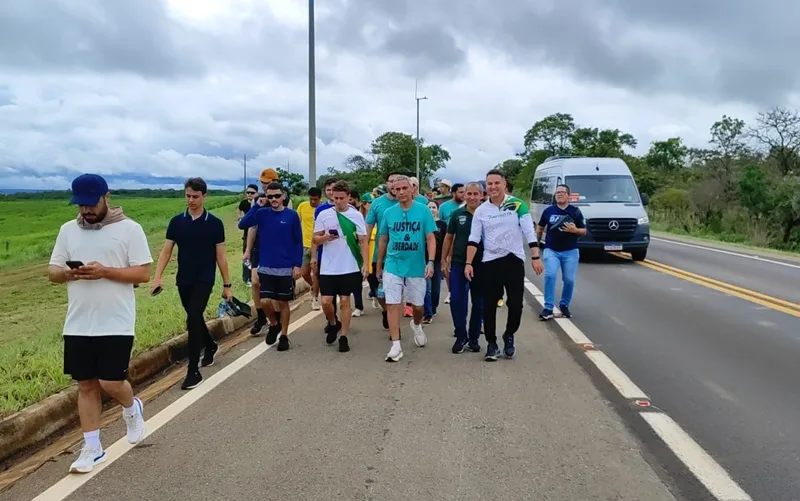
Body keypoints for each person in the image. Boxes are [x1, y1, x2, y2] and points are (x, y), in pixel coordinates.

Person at [48, 173, 151, 473]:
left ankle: (132, 409)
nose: (85, 211)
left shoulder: (130, 229)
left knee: (110, 382)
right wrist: (67, 274)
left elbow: (143, 274)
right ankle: (92, 447)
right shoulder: (68, 231)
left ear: (106, 197)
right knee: (85, 385)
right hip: (78, 322)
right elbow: (52, 271)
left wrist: (105, 272)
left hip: (116, 321)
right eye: (80, 205)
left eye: (91, 204)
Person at [151, 177, 232, 390]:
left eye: (195, 196)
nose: (191, 200)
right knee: (193, 318)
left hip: (205, 278)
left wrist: (227, 285)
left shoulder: (214, 223)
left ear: (204, 196)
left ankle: (193, 370)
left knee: (193, 318)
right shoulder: (177, 222)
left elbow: (221, 256)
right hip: (183, 279)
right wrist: (157, 277)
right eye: (188, 196)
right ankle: (211, 345)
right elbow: (166, 251)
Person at [466, 169, 542, 362]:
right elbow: (474, 238)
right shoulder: (482, 211)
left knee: (515, 304)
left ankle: (509, 335)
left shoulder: (517, 205)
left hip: (513, 260)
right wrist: (468, 263)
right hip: (490, 262)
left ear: (504, 184)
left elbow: (529, 232)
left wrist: (535, 256)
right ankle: (491, 344)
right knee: (489, 305)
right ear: (486, 187)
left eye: (496, 183)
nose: (493, 187)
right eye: (489, 184)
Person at [376, 175, 437, 362]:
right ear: (393, 191)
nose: (401, 192)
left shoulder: (423, 211)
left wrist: (431, 261)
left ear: (412, 189)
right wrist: (379, 265)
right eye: (397, 189)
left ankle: (416, 325)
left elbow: (430, 238)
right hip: (393, 264)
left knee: (417, 306)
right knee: (393, 304)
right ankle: (396, 345)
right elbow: (383, 239)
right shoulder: (389, 213)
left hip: (416, 266)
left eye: (404, 188)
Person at [239, 182, 303, 351]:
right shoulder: (262, 214)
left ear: (283, 196)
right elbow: (242, 224)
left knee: (283, 303)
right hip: (265, 266)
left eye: (277, 196)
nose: (273, 199)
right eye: (270, 196)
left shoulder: (292, 215)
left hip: (285, 266)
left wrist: (297, 265)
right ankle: (273, 324)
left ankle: (284, 335)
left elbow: (298, 241)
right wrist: (256, 206)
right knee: (265, 300)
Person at [313, 181, 369, 352]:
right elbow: (315, 239)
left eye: (341, 198)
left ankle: (343, 336)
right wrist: (325, 238)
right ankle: (333, 322)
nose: (338, 201)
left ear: (348, 197)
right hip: (329, 267)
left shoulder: (356, 216)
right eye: (335, 198)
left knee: (345, 300)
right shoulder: (324, 215)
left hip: (349, 265)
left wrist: (365, 264)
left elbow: (363, 241)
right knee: (326, 301)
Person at [244, 168, 292, 336]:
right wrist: (248, 249)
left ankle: (278, 321)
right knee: (256, 282)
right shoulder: (257, 200)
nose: (264, 187)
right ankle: (262, 317)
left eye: (267, 183)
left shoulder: (285, 200)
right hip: (259, 246)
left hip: (277, 249)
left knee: (277, 292)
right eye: (262, 183)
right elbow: (251, 225)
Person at [441, 182, 484, 353]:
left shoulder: (487, 213)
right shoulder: (457, 214)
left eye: (476, 194)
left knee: (479, 302)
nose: (472, 197)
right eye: (469, 194)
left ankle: (474, 337)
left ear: (481, 195)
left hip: (482, 264)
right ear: (464, 195)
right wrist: (444, 259)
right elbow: (449, 238)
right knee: (457, 300)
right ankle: (461, 335)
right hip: (459, 263)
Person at [536, 184, 586, 320]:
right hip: (551, 249)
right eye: (557, 192)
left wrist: (575, 230)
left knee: (569, 280)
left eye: (562, 192)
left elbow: (584, 231)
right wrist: (535, 246)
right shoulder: (548, 211)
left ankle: (564, 304)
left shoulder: (575, 211)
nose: (559, 194)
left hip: (570, 251)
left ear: (568, 195)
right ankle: (548, 307)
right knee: (550, 275)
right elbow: (540, 228)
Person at [365, 171, 403, 330]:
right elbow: (368, 227)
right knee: (378, 291)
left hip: (401, 255)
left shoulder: (408, 202)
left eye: (397, 181)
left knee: (398, 292)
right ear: (386, 184)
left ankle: (396, 327)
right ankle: (387, 311)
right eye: (391, 181)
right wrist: (363, 254)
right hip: (379, 255)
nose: (394, 184)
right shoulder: (377, 203)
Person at [310, 178, 339, 312]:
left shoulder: (347, 207)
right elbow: (315, 234)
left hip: (341, 253)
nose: (331, 192)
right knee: (322, 281)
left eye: (334, 189)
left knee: (340, 289)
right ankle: (329, 316)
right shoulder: (320, 209)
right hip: (324, 251)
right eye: (328, 190)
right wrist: (313, 256)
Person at [295, 187, 322, 304]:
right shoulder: (302, 206)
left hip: (319, 245)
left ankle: (315, 298)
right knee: (304, 272)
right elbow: (296, 222)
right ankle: (314, 286)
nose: (312, 202)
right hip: (305, 245)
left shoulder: (323, 209)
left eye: (315, 199)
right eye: (311, 199)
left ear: (319, 198)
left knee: (316, 273)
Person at [423, 201, 447, 323]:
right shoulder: (423, 222)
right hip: (424, 259)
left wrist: (445, 259)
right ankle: (427, 313)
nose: (431, 209)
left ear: (437, 210)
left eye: (434, 207)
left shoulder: (442, 225)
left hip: (437, 260)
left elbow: (446, 242)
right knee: (427, 287)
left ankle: (433, 307)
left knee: (436, 287)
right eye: (429, 207)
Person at [349, 188, 367, 316]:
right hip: (350, 251)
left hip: (363, 249)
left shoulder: (362, 213)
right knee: (355, 281)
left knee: (369, 279)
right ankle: (358, 306)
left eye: (351, 199)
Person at [238, 184, 259, 285]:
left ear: (257, 193)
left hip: (258, 235)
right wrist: (241, 219)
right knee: (246, 256)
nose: (250, 194)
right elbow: (240, 214)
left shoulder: (259, 204)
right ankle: (247, 278)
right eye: (248, 192)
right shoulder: (244, 203)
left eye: (252, 193)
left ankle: (255, 276)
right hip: (247, 234)